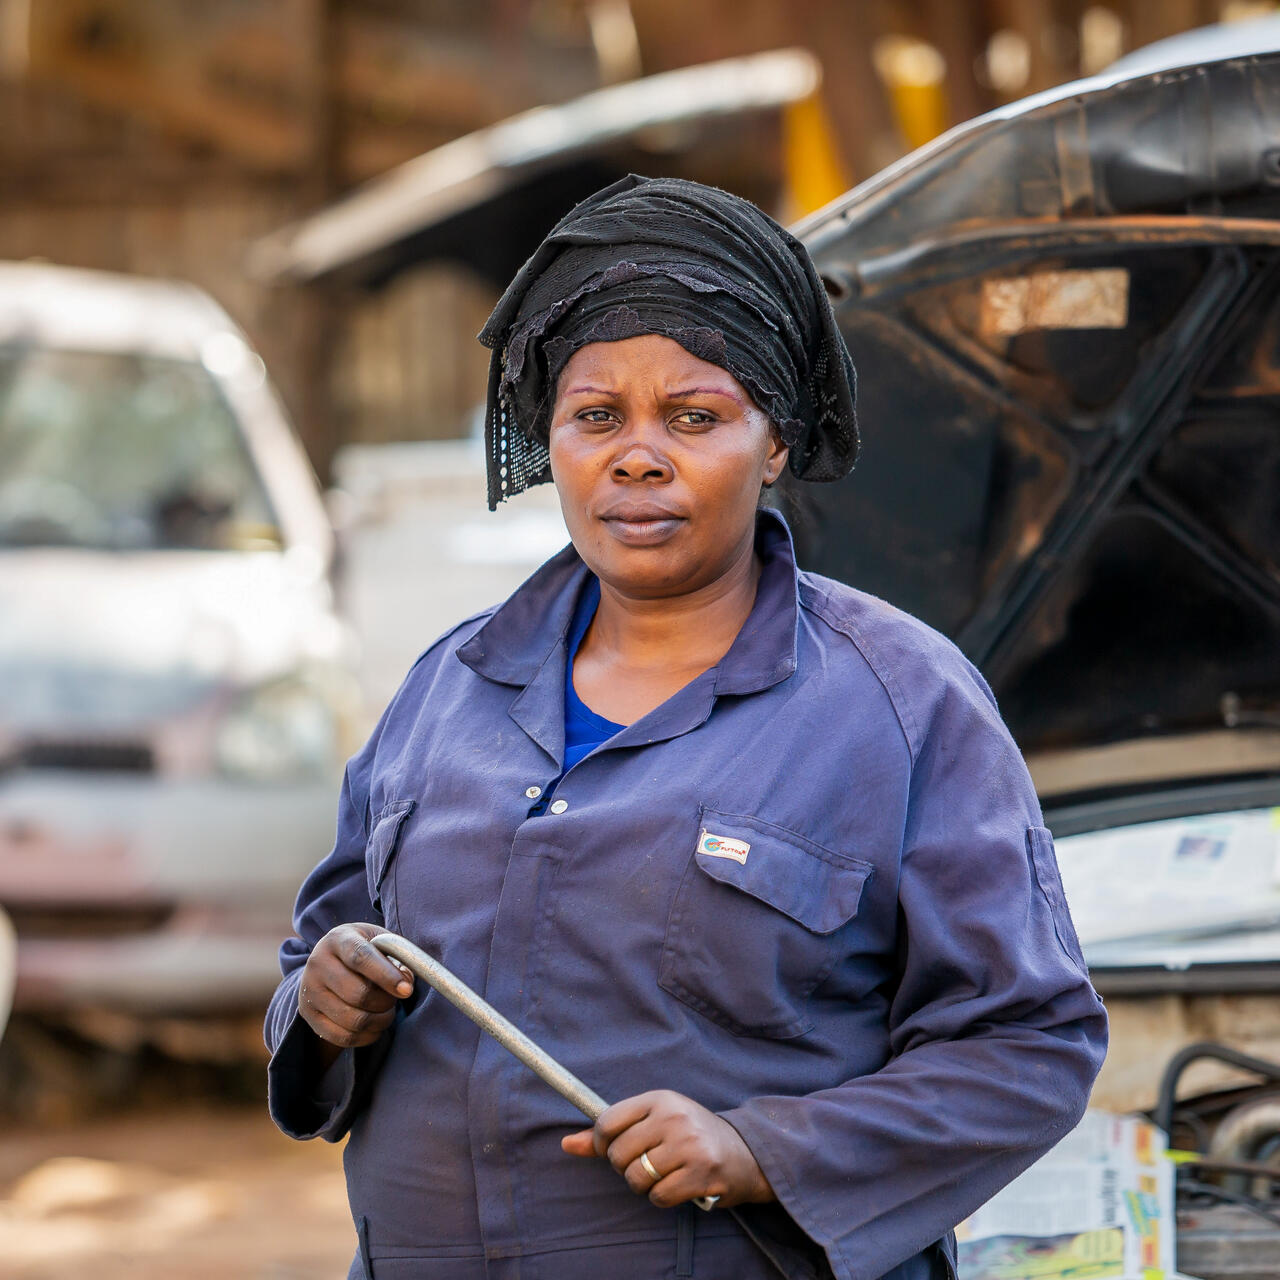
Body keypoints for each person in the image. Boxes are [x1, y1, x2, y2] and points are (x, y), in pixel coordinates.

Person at [264, 176, 1107, 1280]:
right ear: (550, 439)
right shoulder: (445, 689)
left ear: (773, 442)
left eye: (694, 416)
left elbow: (1026, 1046)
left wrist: (761, 1146)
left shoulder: (900, 703)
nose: (637, 455)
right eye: (595, 415)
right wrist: (320, 1002)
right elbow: (314, 953)